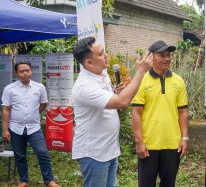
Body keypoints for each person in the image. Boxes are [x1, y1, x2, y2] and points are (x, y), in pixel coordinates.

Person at [72, 37, 152, 187]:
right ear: (89, 62)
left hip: (109, 148)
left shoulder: (102, 75)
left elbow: (113, 100)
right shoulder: (84, 86)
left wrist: (116, 92)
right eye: (101, 53)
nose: (107, 55)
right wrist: (141, 71)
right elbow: (122, 102)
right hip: (94, 153)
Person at [131, 40, 189, 187]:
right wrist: (139, 142)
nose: (167, 58)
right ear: (151, 57)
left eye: (168, 55)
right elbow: (136, 113)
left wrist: (184, 138)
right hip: (149, 145)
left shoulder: (178, 81)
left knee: (169, 184)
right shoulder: (141, 80)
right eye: (162, 55)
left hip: (172, 145)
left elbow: (182, 112)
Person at [1, 62, 60, 187]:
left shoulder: (39, 87)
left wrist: (34, 113)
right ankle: (24, 181)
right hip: (15, 127)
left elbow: (44, 103)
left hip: (34, 128)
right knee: (20, 155)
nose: (25, 73)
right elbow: (6, 109)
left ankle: (49, 181)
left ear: (31, 71)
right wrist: (5, 130)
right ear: (17, 73)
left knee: (42, 153)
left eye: (27, 70)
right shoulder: (9, 89)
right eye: (21, 71)